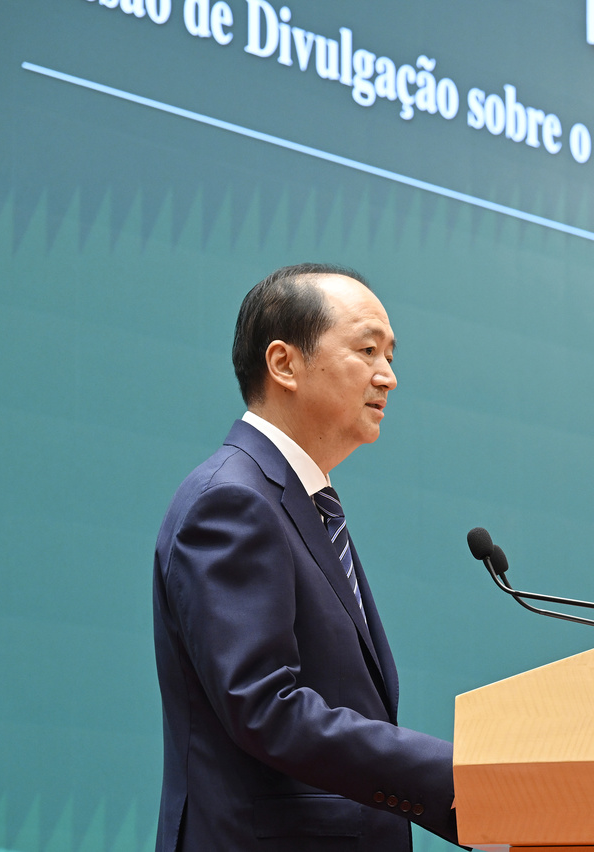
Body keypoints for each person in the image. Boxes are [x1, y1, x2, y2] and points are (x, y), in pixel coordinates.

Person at [152, 263, 458, 851]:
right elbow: (265, 707)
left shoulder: (300, 501)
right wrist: (451, 777)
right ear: (284, 364)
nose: (388, 376)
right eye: (367, 350)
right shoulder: (232, 501)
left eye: (390, 355)